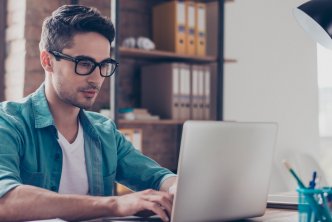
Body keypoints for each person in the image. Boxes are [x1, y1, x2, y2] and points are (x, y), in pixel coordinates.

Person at [0, 5, 176, 222]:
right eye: (84, 64)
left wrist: (176, 187)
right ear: (47, 61)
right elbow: (5, 201)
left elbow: (157, 177)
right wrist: (114, 204)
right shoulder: (8, 123)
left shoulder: (105, 131)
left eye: (104, 65)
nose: (96, 78)